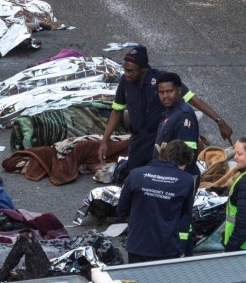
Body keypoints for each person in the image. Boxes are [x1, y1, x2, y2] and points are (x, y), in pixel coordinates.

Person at [98, 45, 232, 177]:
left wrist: (219, 121)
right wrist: (105, 140)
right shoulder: (125, 82)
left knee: (157, 178)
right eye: (125, 70)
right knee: (135, 176)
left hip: (159, 139)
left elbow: (192, 99)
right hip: (137, 141)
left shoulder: (162, 81)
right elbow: (117, 111)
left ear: (143, 69)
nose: (127, 74)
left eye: (131, 71)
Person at [116, 140, 197, 263]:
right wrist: (183, 247)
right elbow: (185, 214)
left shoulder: (136, 174)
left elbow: (121, 210)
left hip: (137, 245)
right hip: (167, 248)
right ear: (183, 162)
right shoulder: (186, 180)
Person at [154, 72, 200, 178]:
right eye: (161, 92)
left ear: (179, 91)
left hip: (179, 179)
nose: (165, 96)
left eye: (169, 91)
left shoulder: (184, 115)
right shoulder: (170, 112)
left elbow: (186, 156)